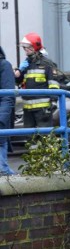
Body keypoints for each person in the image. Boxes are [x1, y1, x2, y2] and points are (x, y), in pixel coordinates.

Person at [14, 33, 60, 129]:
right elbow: (19, 82)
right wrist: (17, 73)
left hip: (43, 109)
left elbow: (54, 84)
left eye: (28, 47)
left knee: (44, 137)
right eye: (24, 47)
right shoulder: (26, 64)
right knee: (30, 138)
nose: (25, 49)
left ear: (35, 46)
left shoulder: (47, 64)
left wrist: (53, 102)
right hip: (28, 108)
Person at [0, 45, 16, 176]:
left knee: (2, 169)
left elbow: (8, 96)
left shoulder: (4, 66)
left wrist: (1, 119)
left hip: (0, 120)